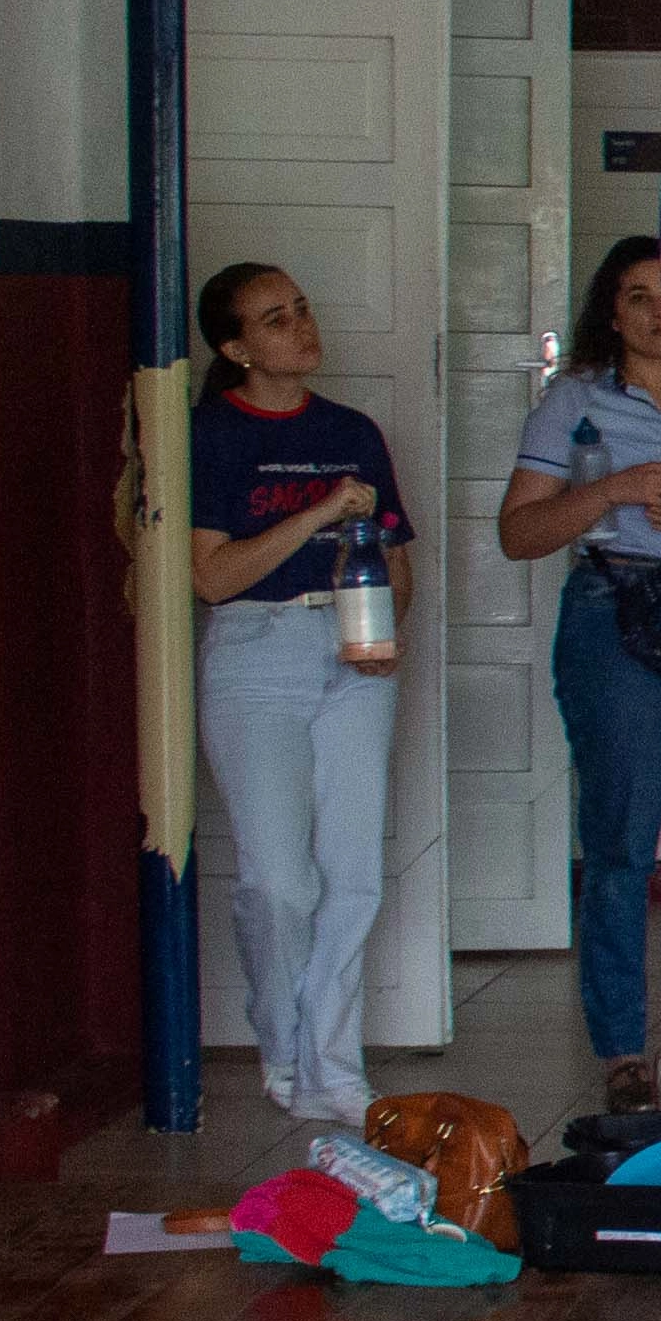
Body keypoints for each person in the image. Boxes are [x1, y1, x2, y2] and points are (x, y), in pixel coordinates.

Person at [189, 260, 413, 1132]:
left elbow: (396, 552)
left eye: (303, 308)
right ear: (236, 347)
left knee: (353, 873)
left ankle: (334, 1065)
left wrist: (389, 629)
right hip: (257, 650)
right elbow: (213, 577)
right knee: (281, 881)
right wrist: (318, 514)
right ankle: (281, 1043)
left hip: (352, 646)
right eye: (275, 319)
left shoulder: (353, 429)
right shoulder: (211, 433)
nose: (301, 328)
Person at [502, 236, 661, 1113]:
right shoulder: (575, 403)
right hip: (614, 610)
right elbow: (520, 533)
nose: (654, 311)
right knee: (623, 841)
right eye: (634, 296)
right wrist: (616, 490)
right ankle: (623, 1049)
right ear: (610, 311)